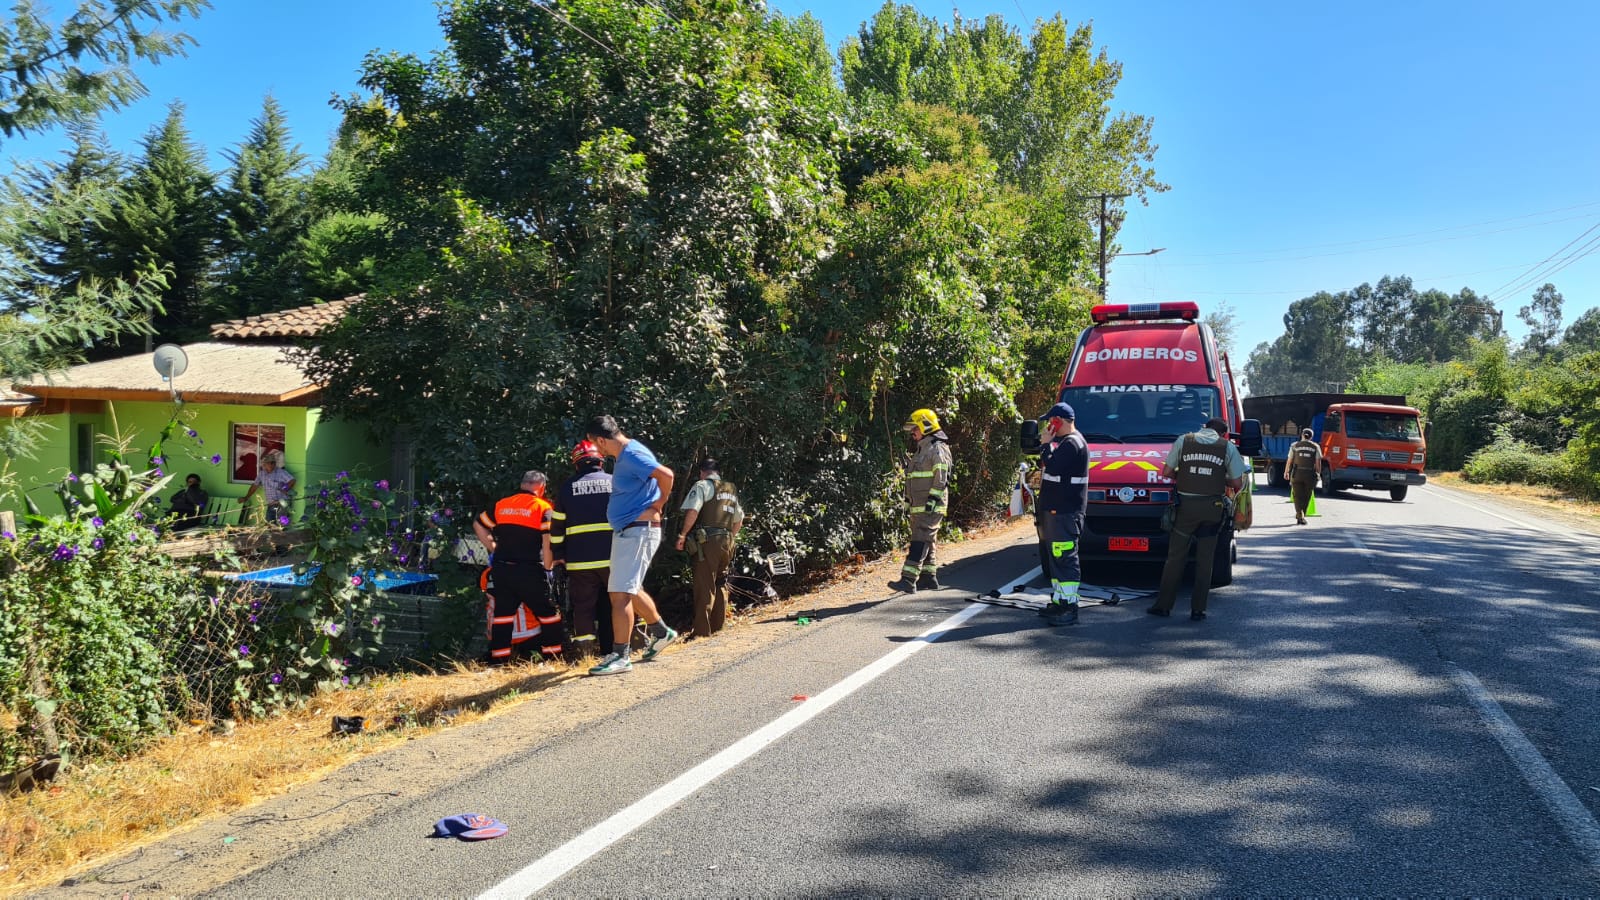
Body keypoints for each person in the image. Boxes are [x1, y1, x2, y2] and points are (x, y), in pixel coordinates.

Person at [584, 415, 677, 676]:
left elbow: (666, 475)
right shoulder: (627, 455)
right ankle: (661, 632)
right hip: (629, 531)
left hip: (638, 530)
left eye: (596, 444)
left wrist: (658, 505)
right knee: (629, 588)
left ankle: (620, 655)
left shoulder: (632, 454)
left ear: (602, 439)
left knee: (619, 594)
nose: (597, 451)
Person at [1149, 417, 1247, 621]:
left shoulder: (1184, 441)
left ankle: (1164, 606)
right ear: (1223, 433)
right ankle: (1198, 609)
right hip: (1213, 508)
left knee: (1175, 558)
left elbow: (1166, 471)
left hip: (1185, 507)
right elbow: (1237, 482)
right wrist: (1217, 477)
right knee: (1205, 559)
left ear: (1204, 428)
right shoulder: (1226, 447)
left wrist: (1185, 475)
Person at [473, 470, 566, 663]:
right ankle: (552, 658)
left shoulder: (503, 504)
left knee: (503, 616)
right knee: (548, 613)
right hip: (530, 569)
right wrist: (548, 569)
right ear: (541, 487)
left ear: (523, 484)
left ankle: (498, 661)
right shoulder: (543, 508)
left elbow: (479, 524)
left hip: (502, 569)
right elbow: (547, 542)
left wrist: (493, 547)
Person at [550, 440, 615, 656]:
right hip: (612, 559)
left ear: (577, 465)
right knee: (615, 602)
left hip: (579, 562)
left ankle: (586, 653)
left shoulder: (568, 488)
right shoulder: (614, 482)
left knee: (583, 608)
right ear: (600, 461)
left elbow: (557, 525)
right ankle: (615, 649)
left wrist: (558, 555)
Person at [675, 457, 745, 638]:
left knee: (704, 583)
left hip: (707, 542)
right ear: (718, 472)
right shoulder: (730, 489)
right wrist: (729, 537)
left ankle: (701, 632)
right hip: (727, 540)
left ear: (702, 472)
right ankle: (718, 627)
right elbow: (739, 520)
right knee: (721, 582)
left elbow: (693, 511)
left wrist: (683, 535)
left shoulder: (702, 486)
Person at [1036, 403, 1090, 626]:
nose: (1050, 426)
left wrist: (1046, 445)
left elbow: (1053, 466)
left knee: (1065, 557)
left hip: (1065, 512)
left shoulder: (1072, 443)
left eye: (1052, 421)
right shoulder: (1067, 443)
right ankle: (1060, 600)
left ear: (1060, 420)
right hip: (1057, 511)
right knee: (1056, 557)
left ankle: (1069, 606)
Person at [888, 408, 953, 594]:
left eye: (915, 428)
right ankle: (928, 577)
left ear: (925, 426)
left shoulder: (938, 448)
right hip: (919, 504)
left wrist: (933, 500)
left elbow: (941, 478)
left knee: (921, 539)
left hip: (931, 504)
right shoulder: (921, 449)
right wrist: (908, 500)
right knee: (926, 538)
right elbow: (912, 478)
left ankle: (908, 579)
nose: (912, 432)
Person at [242, 450, 295, 525]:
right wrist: (246, 497)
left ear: (273, 464)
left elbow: (292, 480)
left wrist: (285, 488)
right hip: (271, 504)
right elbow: (254, 486)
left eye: (267, 464)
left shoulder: (281, 472)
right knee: (269, 525)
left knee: (281, 525)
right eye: (264, 464)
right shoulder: (262, 474)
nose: (265, 466)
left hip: (282, 503)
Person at [1284, 427, 1322, 525]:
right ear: (1311, 437)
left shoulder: (1294, 445)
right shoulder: (1315, 447)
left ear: (1302, 435)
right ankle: (1301, 515)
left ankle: (1299, 514)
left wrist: (1286, 472)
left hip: (1296, 474)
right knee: (1306, 496)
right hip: (1309, 475)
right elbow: (1318, 463)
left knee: (1297, 496)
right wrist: (1318, 474)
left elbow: (1289, 460)